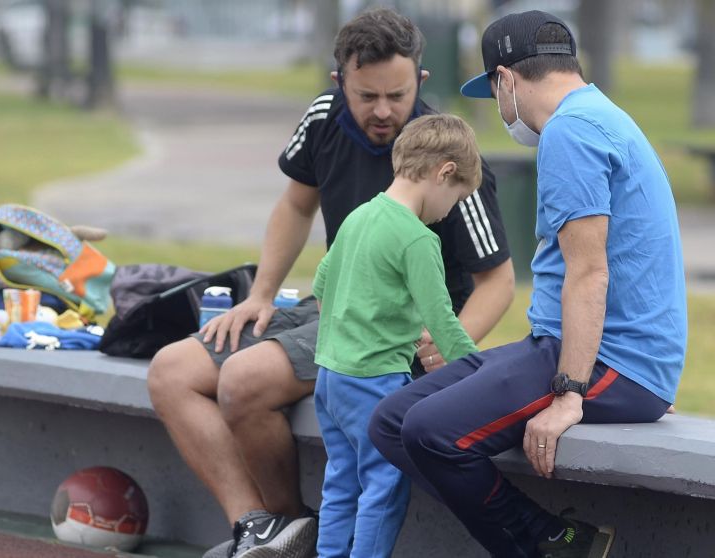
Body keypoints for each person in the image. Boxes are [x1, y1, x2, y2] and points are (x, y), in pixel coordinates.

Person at [145, 8, 515, 558]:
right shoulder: (323, 116)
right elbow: (296, 205)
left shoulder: (449, 159)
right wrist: (262, 294)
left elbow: (498, 281)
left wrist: (448, 346)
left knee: (243, 381)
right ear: (340, 82)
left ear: (421, 77)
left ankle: (295, 527)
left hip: (393, 333)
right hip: (333, 307)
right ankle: (265, 528)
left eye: (398, 94)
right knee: (170, 372)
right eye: (367, 96)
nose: (384, 111)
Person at [369, 10, 687, 558]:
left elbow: (590, 271)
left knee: (427, 431)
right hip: (575, 350)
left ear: (507, 80)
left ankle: (555, 546)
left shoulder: (571, 131)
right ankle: (546, 536)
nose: (499, 108)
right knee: (392, 421)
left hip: (606, 365)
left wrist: (571, 394)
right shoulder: (599, 116)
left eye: (493, 92)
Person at [312, 114, 482, 558]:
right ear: (445, 172)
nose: (450, 210)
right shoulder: (417, 239)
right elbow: (442, 320)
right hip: (374, 379)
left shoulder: (360, 216)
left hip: (330, 377)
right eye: (457, 198)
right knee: (385, 485)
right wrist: (481, 374)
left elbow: (321, 284)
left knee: (342, 479)